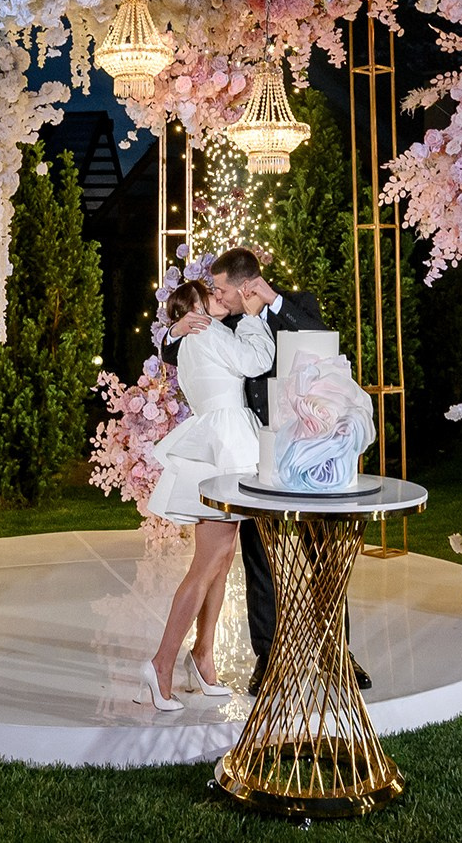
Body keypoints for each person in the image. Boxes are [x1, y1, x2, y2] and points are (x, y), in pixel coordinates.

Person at [170, 247, 370, 693]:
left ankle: (337, 652)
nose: (215, 295)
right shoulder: (224, 324)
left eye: (220, 288)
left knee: (324, 553)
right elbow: (175, 353)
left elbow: (326, 340)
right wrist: (175, 328)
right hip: (257, 455)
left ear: (245, 286)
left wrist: (275, 301)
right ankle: (269, 656)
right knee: (260, 560)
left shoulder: (299, 306)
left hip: (312, 452)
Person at [137, 278, 272, 711]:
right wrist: (252, 319)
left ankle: (202, 656)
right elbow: (256, 360)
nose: (220, 300)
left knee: (222, 558)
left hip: (225, 442)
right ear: (193, 310)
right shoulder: (207, 332)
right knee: (207, 564)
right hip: (225, 447)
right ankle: (161, 664)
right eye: (210, 297)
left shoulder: (198, 337)